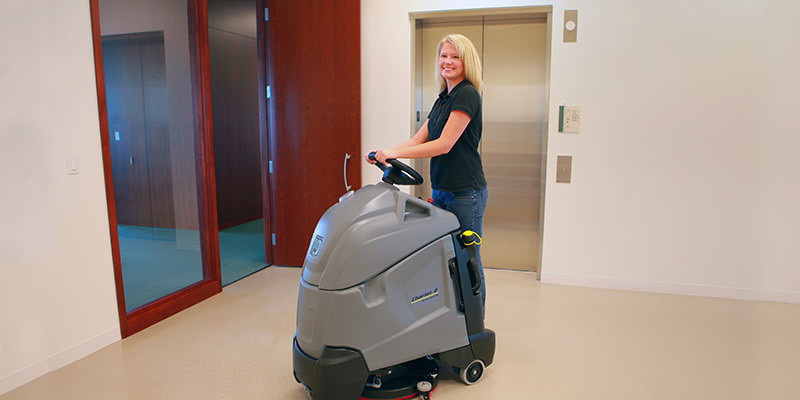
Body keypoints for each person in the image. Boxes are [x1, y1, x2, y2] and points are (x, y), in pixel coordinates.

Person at [366, 33, 488, 310]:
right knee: (447, 258)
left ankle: (475, 324)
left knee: (468, 258)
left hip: (465, 192)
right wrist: (384, 152)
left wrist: (395, 153)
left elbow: (444, 145)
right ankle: (455, 318)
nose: (448, 61)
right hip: (442, 189)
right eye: (444, 56)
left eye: (455, 56)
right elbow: (418, 139)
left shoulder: (467, 94)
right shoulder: (443, 98)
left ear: (466, 61)